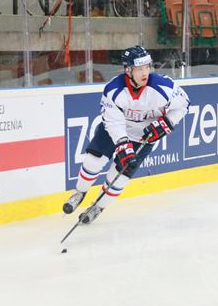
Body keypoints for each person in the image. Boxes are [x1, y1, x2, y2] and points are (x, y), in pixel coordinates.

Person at [62, 46, 190, 224]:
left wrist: (167, 123)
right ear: (128, 70)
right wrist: (123, 144)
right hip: (114, 131)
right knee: (94, 160)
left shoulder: (163, 87)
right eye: (139, 69)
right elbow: (113, 122)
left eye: (147, 67)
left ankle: (98, 206)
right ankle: (79, 193)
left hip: (143, 138)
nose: (145, 72)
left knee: (120, 174)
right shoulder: (113, 90)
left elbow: (183, 105)